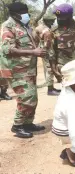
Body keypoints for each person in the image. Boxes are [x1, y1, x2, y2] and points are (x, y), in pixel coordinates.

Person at [0, 2, 47, 138]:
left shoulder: (24, 26)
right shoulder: (8, 27)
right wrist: (34, 52)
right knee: (26, 98)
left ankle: (27, 123)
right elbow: (7, 49)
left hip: (27, 68)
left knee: (32, 97)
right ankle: (18, 125)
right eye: (23, 13)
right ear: (15, 14)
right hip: (15, 69)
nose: (26, 15)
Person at [33, 15, 61, 96]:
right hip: (48, 51)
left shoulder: (38, 28)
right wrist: (50, 53)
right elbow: (48, 44)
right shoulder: (47, 31)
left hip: (43, 50)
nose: (53, 23)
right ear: (47, 21)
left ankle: (51, 88)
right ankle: (50, 90)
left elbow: (35, 38)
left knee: (48, 69)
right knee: (50, 70)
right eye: (52, 21)